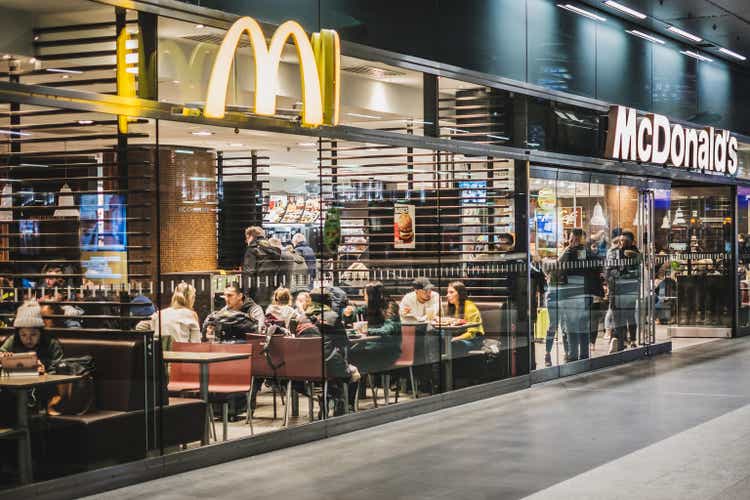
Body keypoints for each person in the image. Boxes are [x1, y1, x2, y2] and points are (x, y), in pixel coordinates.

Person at [557, 229, 600, 362]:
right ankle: (579, 355)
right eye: (571, 238)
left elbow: (596, 267)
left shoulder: (586, 253)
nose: (573, 241)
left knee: (575, 326)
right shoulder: (570, 252)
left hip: (578, 294)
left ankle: (575, 355)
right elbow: (558, 265)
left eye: (576, 239)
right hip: (574, 294)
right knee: (577, 326)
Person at [348, 281, 402, 373]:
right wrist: (348, 313)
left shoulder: (390, 306)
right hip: (372, 347)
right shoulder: (371, 306)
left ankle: (359, 386)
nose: (364, 297)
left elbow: (388, 329)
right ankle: (360, 386)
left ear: (372, 295)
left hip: (388, 350)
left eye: (365, 295)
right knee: (348, 355)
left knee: (351, 357)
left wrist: (368, 331)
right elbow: (357, 311)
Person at [0, 300, 64, 374]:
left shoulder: (51, 344)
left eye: (33, 335)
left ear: (41, 332)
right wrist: (3, 356)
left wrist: (45, 373)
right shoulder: (13, 340)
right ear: (18, 334)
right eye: (23, 335)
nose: (28, 339)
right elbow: (1, 352)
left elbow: (59, 372)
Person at [606, 230, 641, 352]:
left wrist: (633, 258)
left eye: (625, 241)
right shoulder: (614, 252)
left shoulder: (636, 254)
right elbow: (609, 271)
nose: (622, 243)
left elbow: (637, 273)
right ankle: (620, 341)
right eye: (620, 240)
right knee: (617, 317)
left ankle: (632, 339)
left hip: (630, 291)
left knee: (629, 316)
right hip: (616, 290)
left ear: (632, 242)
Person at [242, 226, 284, 307]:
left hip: (257, 292)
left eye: (246, 238)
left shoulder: (252, 249)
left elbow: (249, 273)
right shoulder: (273, 250)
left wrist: (245, 295)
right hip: (272, 290)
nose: (246, 241)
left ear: (250, 236)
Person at [445, 281, 484, 357]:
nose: (447, 295)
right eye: (447, 292)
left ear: (460, 293)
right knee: (434, 334)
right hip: (457, 336)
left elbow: (472, 334)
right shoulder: (452, 307)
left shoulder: (470, 308)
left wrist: (455, 339)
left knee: (453, 344)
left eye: (451, 292)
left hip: (473, 340)